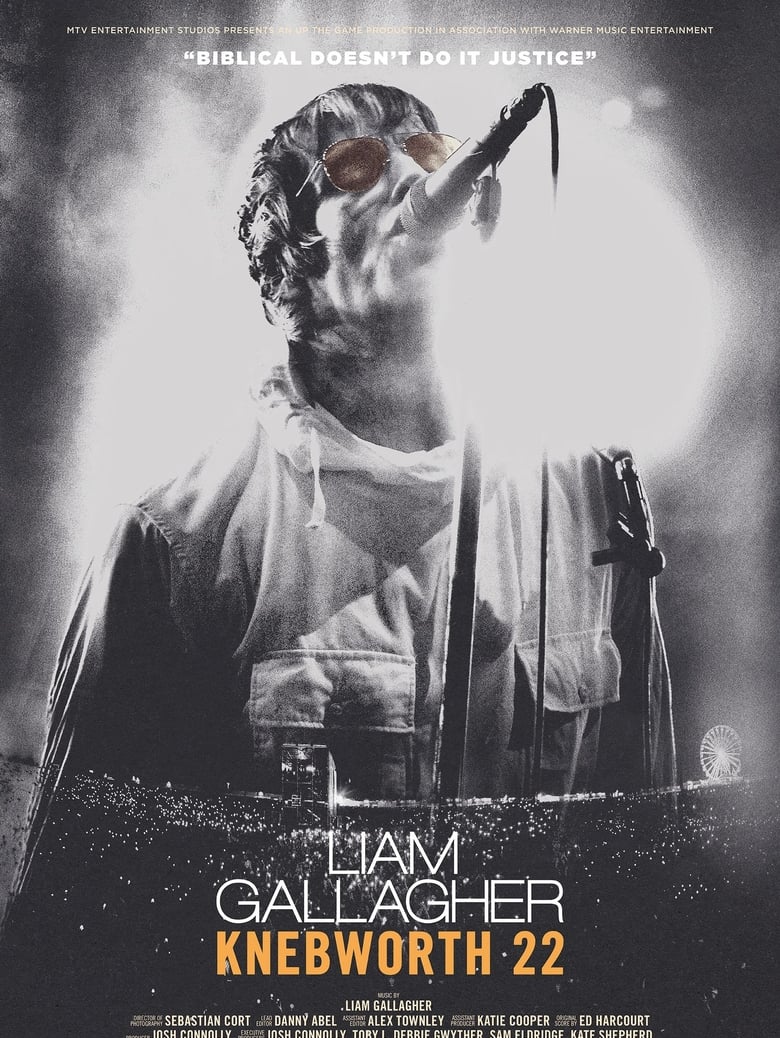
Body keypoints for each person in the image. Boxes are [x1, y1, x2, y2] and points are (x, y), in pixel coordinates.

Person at [32, 82, 676, 827]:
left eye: (427, 152)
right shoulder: (173, 545)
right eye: (355, 165)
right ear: (288, 270)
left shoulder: (589, 496)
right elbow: (90, 875)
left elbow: (651, 845)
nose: (410, 176)